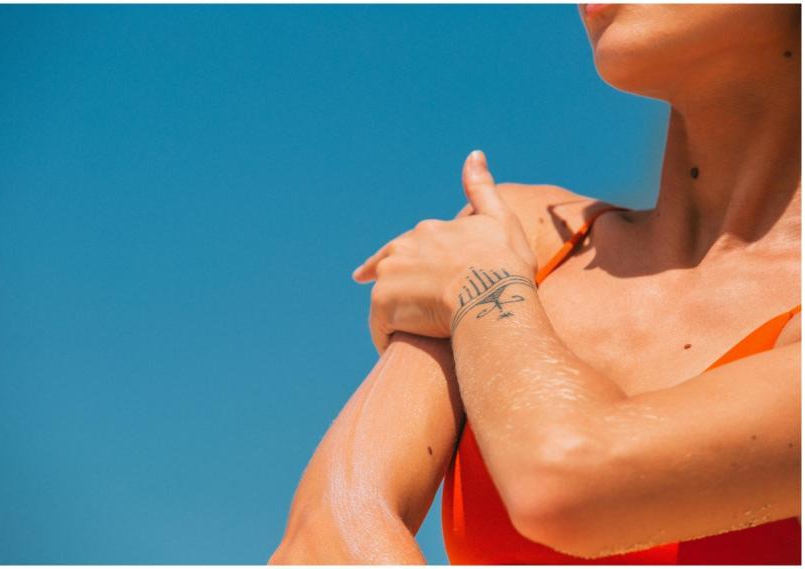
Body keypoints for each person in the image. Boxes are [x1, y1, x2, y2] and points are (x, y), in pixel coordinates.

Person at [269, 3, 801, 564]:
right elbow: (326, 533)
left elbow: (570, 483)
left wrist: (482, 287)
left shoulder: (492, 258)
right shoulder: (523, 234)